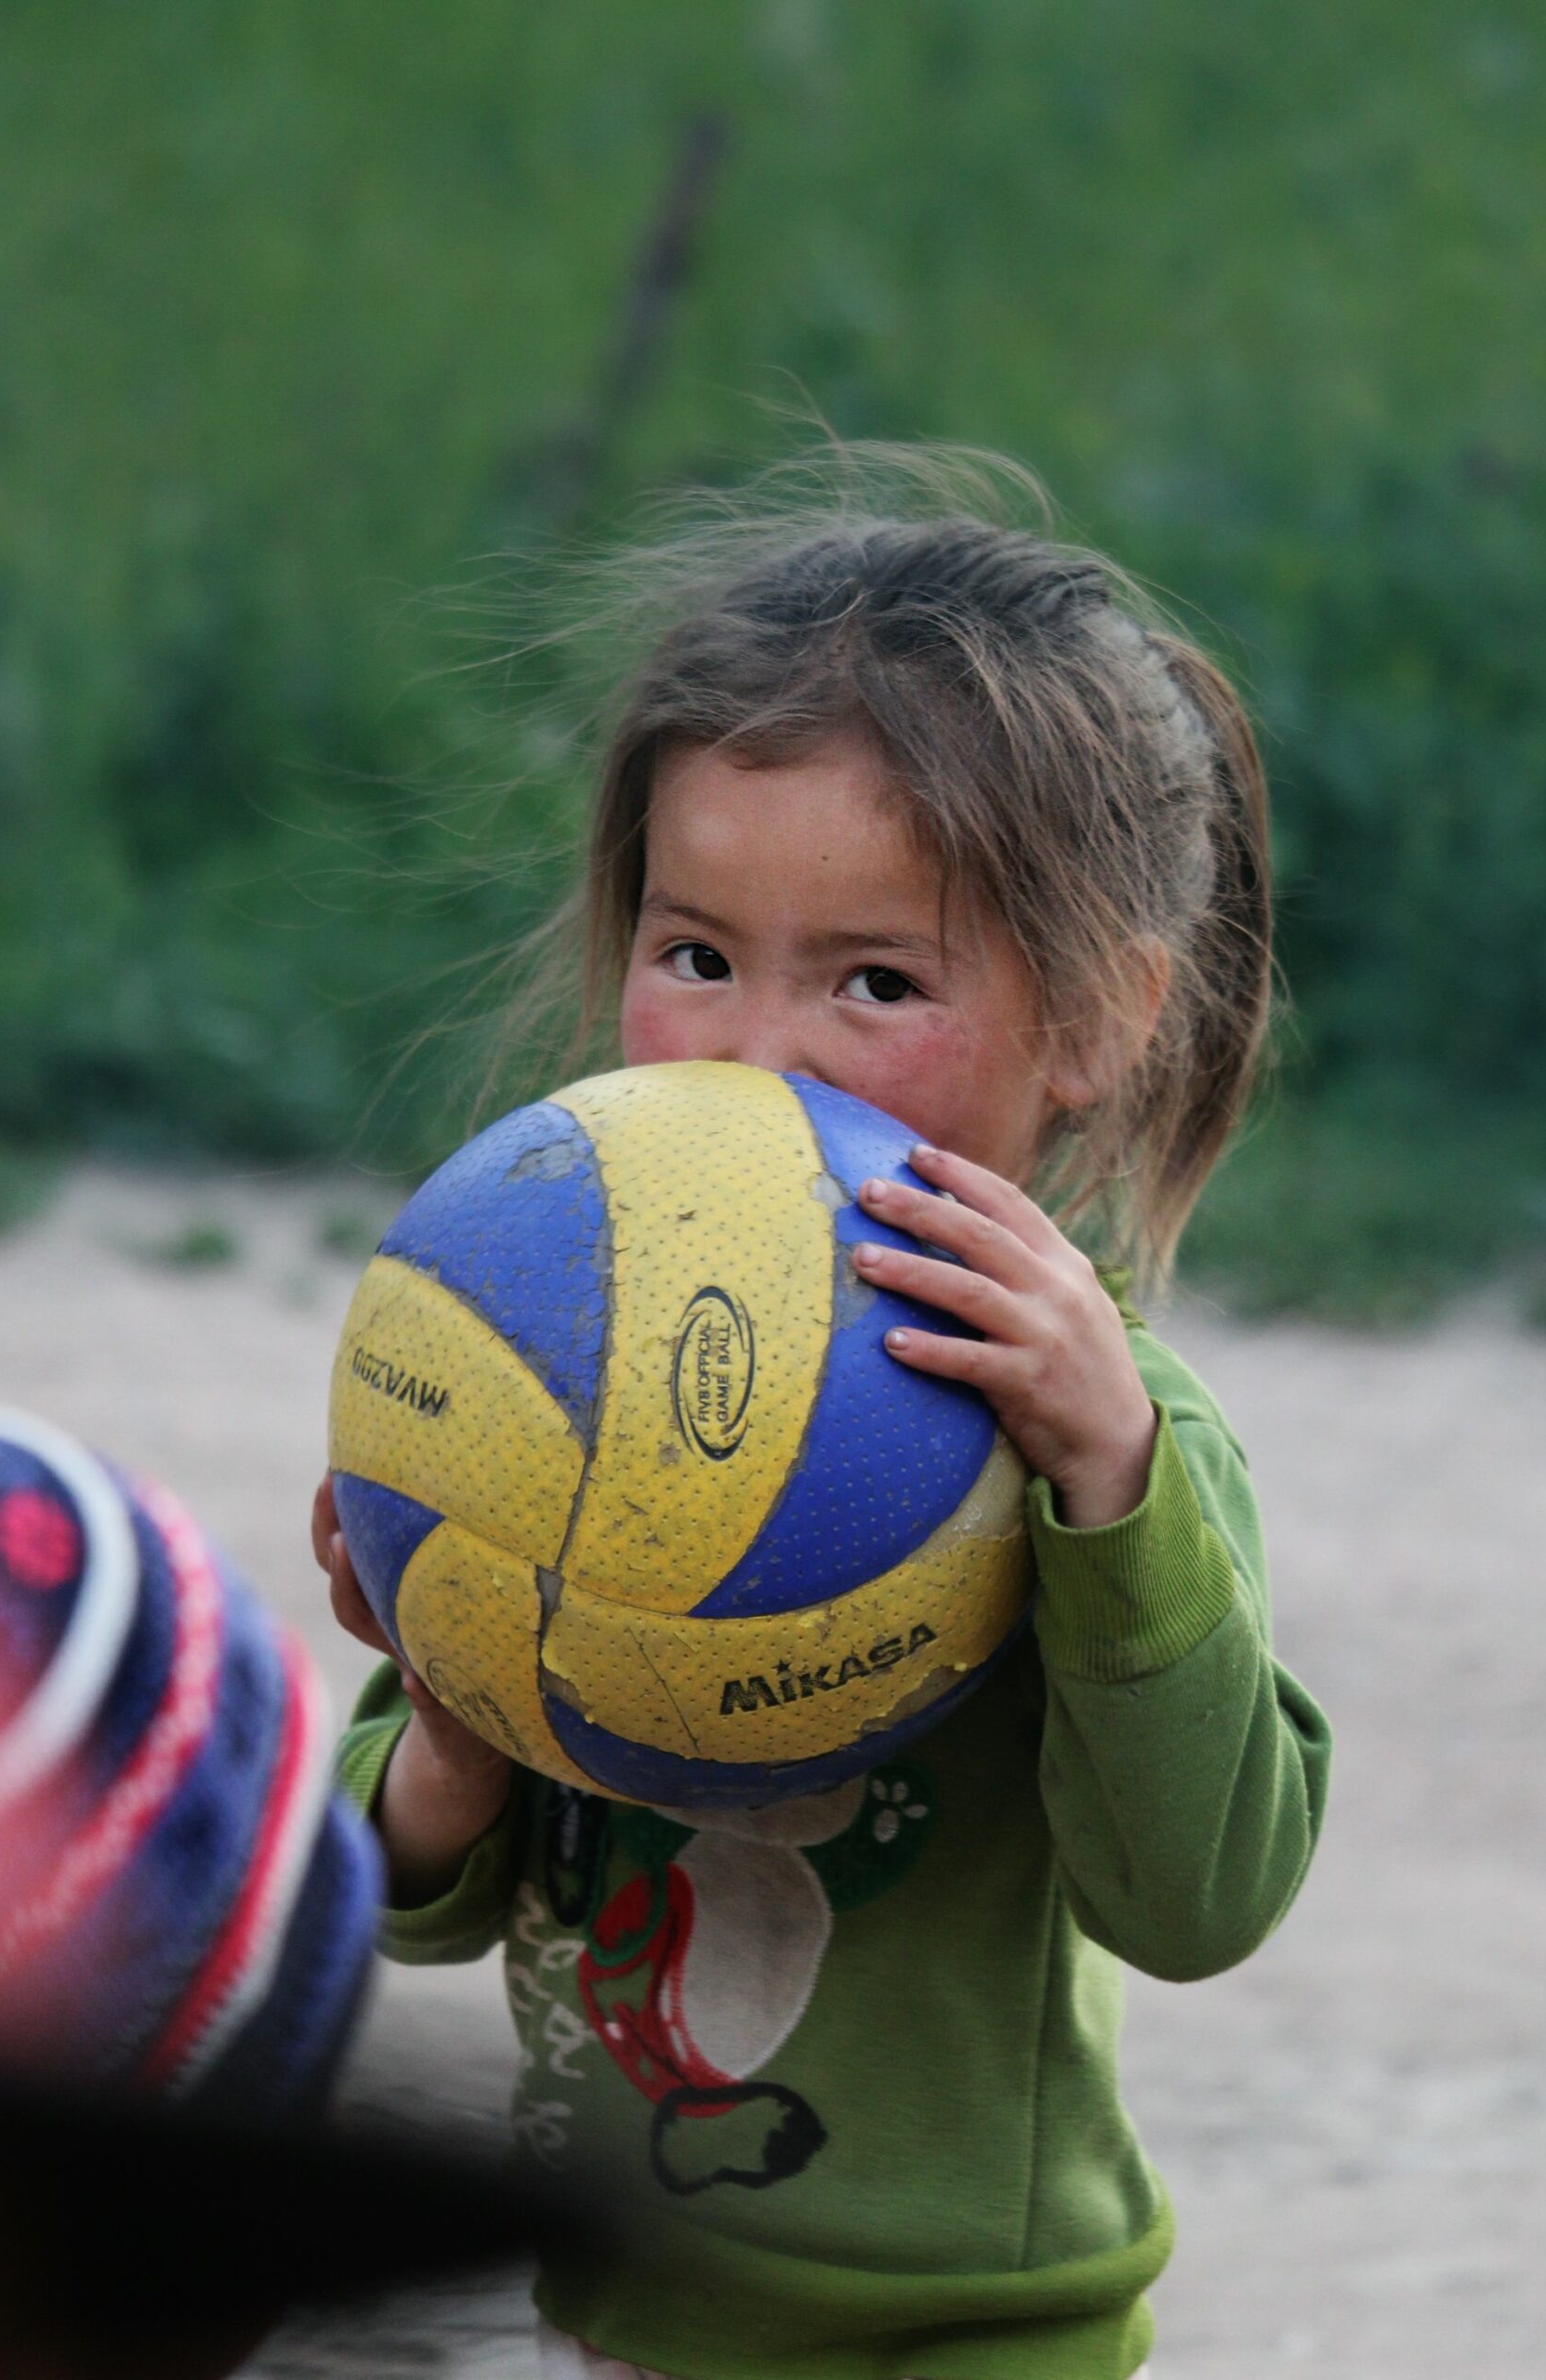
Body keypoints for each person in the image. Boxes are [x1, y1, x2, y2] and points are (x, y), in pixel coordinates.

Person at [314, 446, 1332, 2380]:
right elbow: (394, 1906)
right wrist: (457, 1720)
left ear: (1107, 1016)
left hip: (969, 2337)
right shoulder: (551, 1374)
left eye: (872, 978)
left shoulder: (1114, 1434)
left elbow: (1199, 1901)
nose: (755, 1050)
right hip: (617, 2306)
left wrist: (1110, 1483)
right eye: (694, 952)